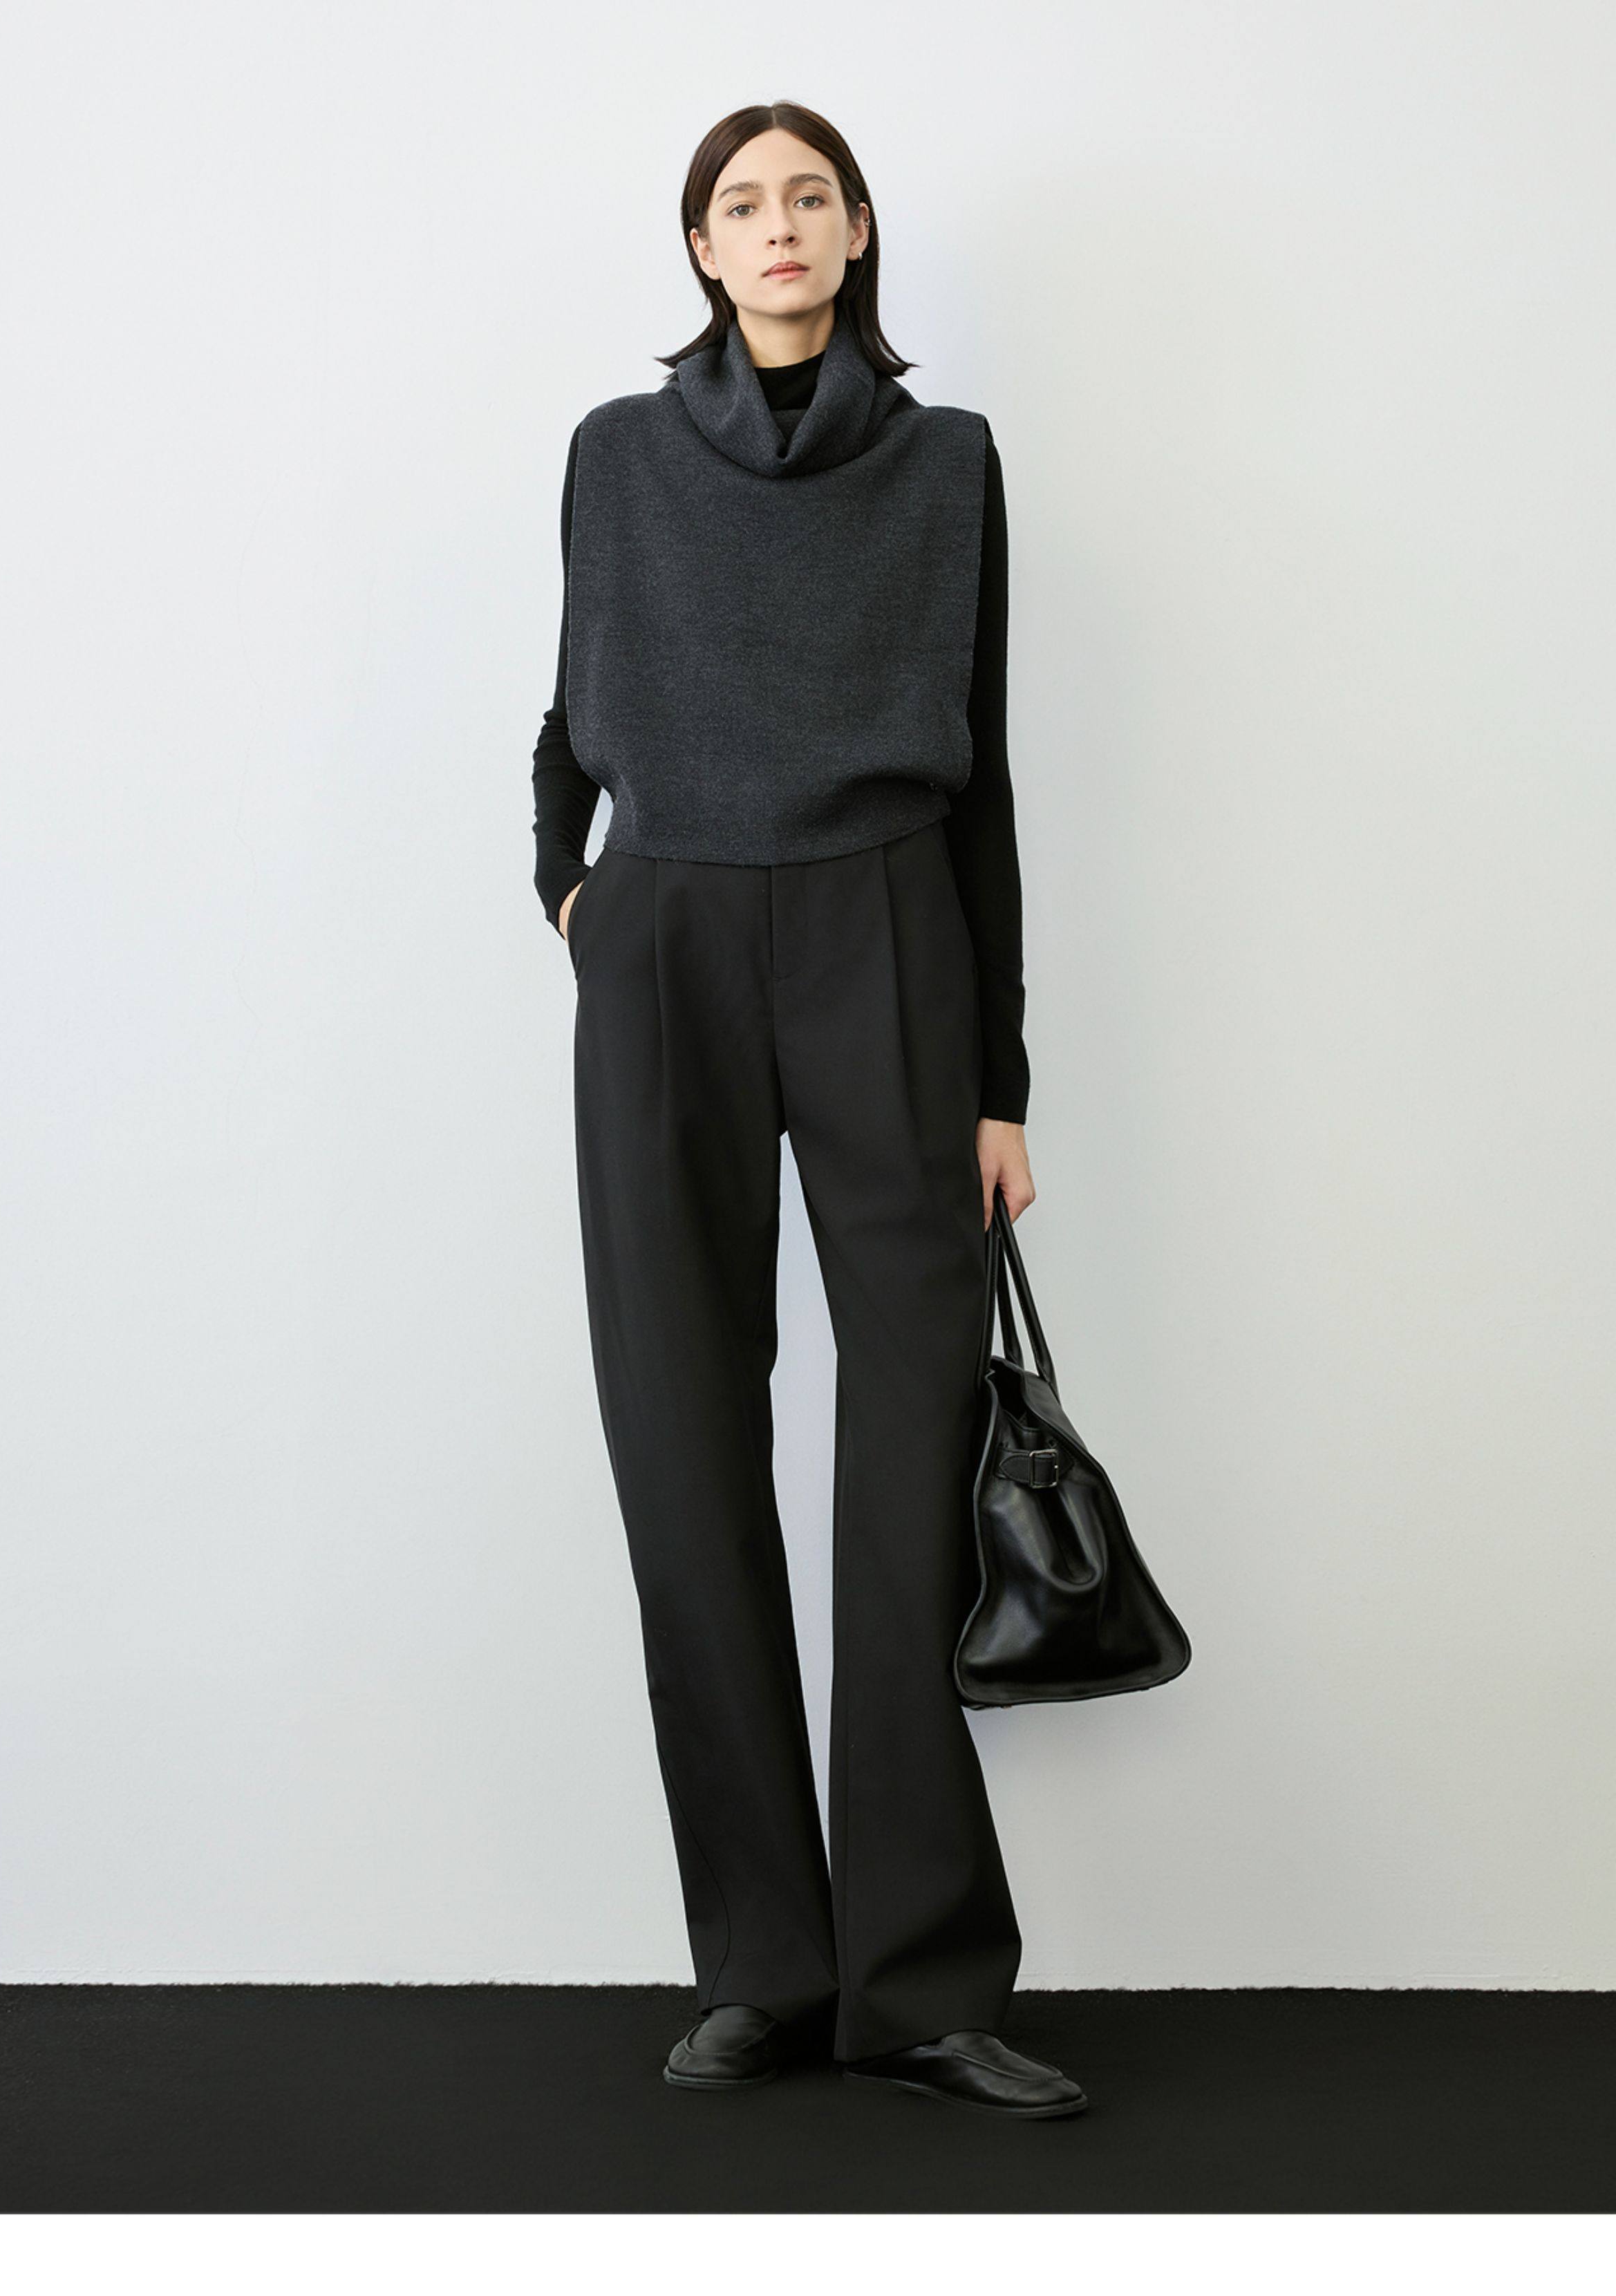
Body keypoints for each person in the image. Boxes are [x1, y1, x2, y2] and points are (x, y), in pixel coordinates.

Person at [530, 100, 1088, 2121]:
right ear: (701, 245)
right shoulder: (616, 453)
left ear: (856, 237)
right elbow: (566, 711)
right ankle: (762, 1962)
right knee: (680, 1431)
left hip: (889, 934)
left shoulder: (948, 464)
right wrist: (571, 889)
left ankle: (920, 1979)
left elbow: (987, 770)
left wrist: (999, 1075)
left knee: (913, 1440)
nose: (778, 227)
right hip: (668, 940)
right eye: (741, 202)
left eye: (812, 198)